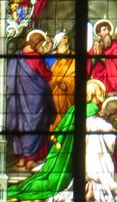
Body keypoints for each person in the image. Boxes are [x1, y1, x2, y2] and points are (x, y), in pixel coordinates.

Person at [6, 28, 56, 170]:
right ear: (37, 43)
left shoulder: (18, 56)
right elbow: (46, 75)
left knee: (21, 126)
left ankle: (21, 158)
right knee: (35, 126)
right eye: (41, 45)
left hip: (18, 99)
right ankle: (30, 160)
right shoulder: (36, 57)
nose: (42, 48)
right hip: (36, 100)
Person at [87, 20, 117, 94]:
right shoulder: (95, 47)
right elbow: (87, 66)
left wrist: (102, 57)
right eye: (104, 30)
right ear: (99, 33)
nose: (107, 32)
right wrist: (95, 57)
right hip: (97, 84)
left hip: (112, 85)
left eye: (108, 29)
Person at [48, 31, 74, 124]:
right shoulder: (50, 57)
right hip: (53, 88)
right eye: (64, 38)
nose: (67, 41)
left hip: (69, 90)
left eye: (67, 38)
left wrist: (67, 83)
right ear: (58, 41)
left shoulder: (73, 57)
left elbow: (75, 74)